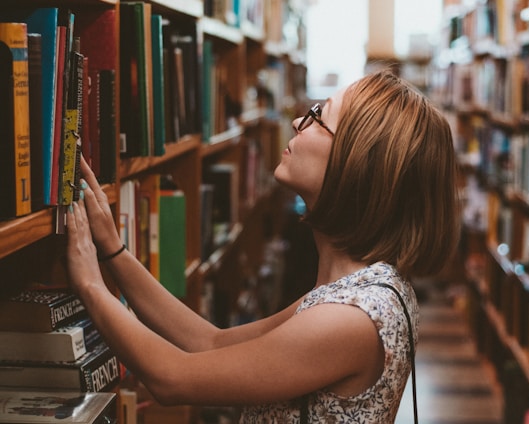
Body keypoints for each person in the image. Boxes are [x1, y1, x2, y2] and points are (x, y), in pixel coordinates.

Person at [65, 69, 459, 423]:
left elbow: (172, 379)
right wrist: (114, 251)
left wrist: (90, 285)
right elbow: (209, 342)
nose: (297, 121)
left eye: (318, 117)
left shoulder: (351, 318)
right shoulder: (355, 292)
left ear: (357, 163)